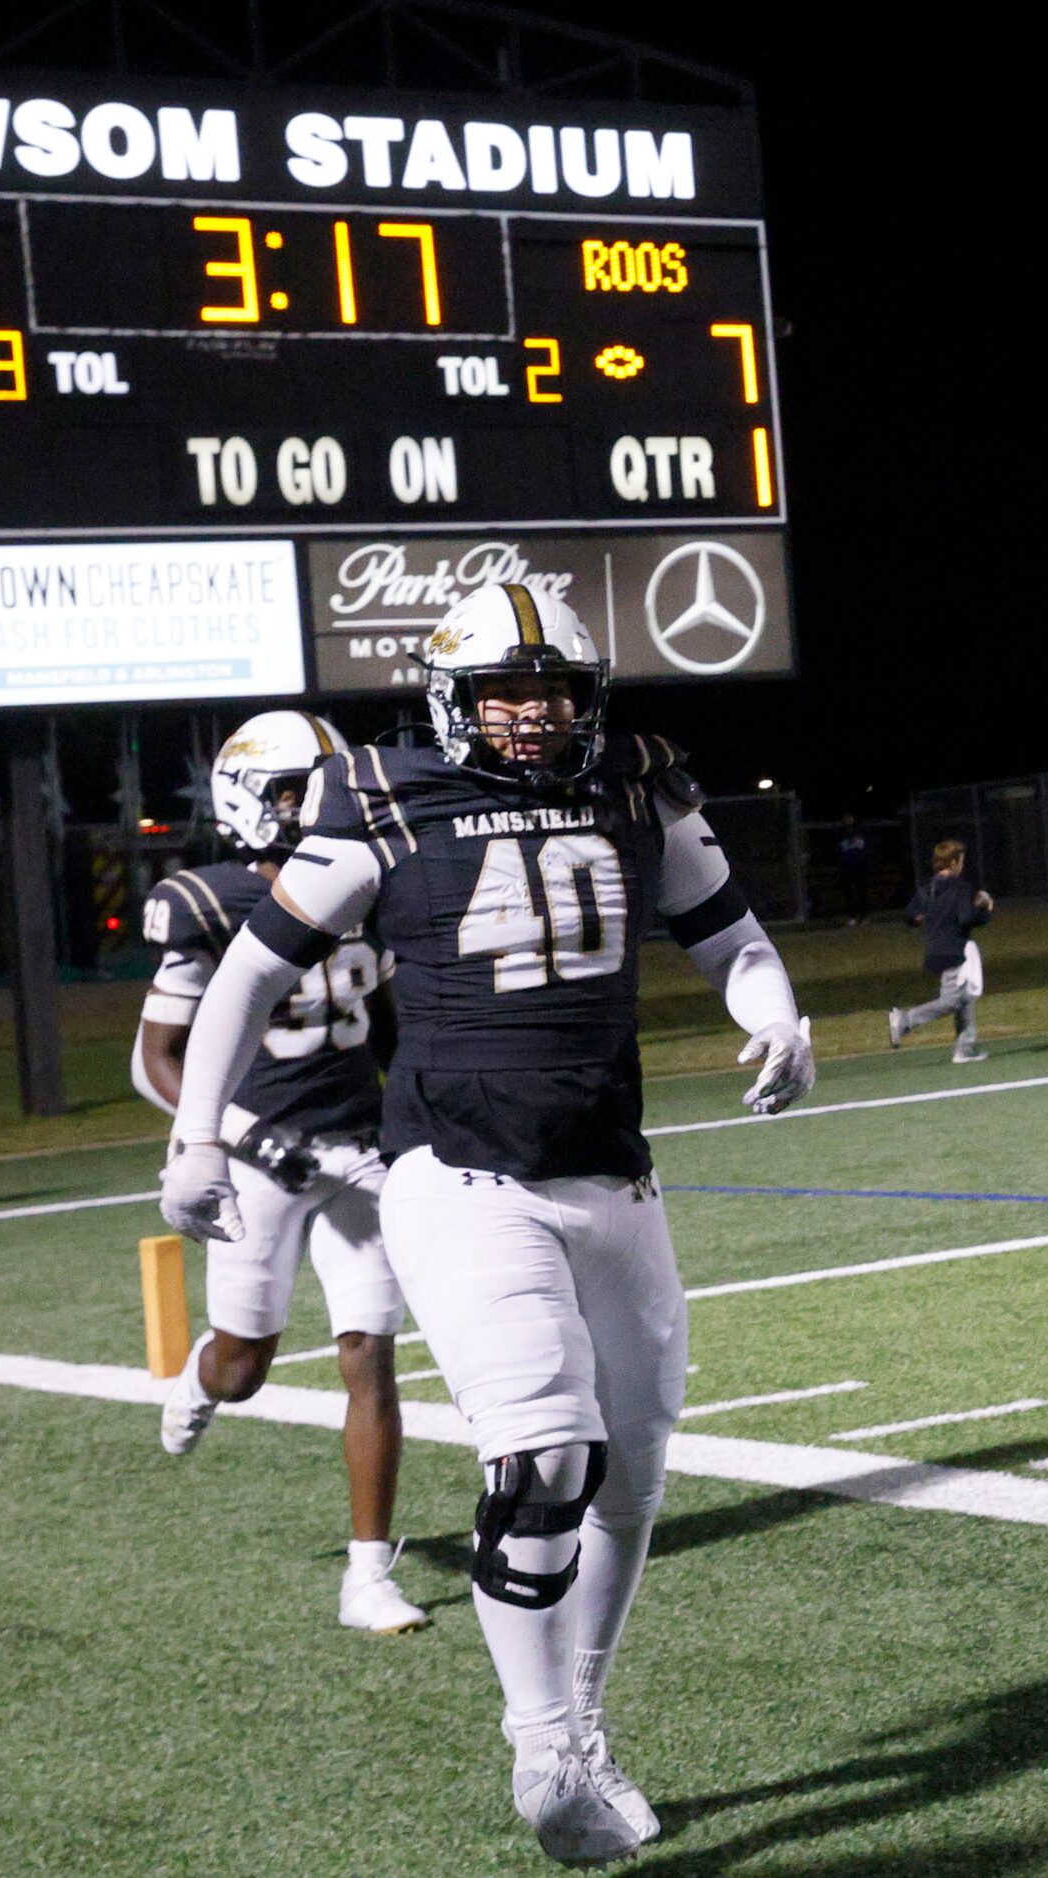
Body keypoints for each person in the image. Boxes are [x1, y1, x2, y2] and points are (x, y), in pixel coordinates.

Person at [160, 583, 816, 1867]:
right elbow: (249, 974)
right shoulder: (383, 800)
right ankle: (540, 1742)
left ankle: (580, 1718)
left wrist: (776, 1010)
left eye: (556, 690)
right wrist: (194, 1134)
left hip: (612, 1175)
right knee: (544, 1461)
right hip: (456, 1174)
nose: (533, 714)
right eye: (509, 691)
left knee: (629, 1483)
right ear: (453, 700)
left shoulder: (636, 787)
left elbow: (729, 933)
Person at [131, 707, 425, 1638]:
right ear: (249, 800)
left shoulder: (366, 886)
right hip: (256, 1160)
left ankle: (367, 1573)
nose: (320, 806)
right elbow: (153, 1062)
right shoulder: (213, 903)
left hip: (354, 1150)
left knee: (369, 1356)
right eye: (300, 789)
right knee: (245, 1366)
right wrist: (245, 1139)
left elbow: (386, 1030)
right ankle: (199, 1378)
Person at [885, 839, 993, 1063]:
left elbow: (910, 915)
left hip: (934, 950)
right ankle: (905, 1020)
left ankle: (965, 1047)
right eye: (961, 860)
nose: (962, 865)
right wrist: (985, 910)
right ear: (953, 862)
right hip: (954, 948)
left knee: (964, 996)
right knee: (952, 1000)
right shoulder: (962, 888)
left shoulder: (928, 888)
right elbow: (967, 919)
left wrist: (929, 917)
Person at [836, 815, 872, 925]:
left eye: (850, 817)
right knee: (849, 892)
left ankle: (864, 915)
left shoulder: (861, 832)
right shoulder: (840, 834)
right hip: (847, 867)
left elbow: (866, 848)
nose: (848, 820)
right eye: (846, 818)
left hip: (861, 866)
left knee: (862, 891)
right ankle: (852, 916)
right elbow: (838, 850)